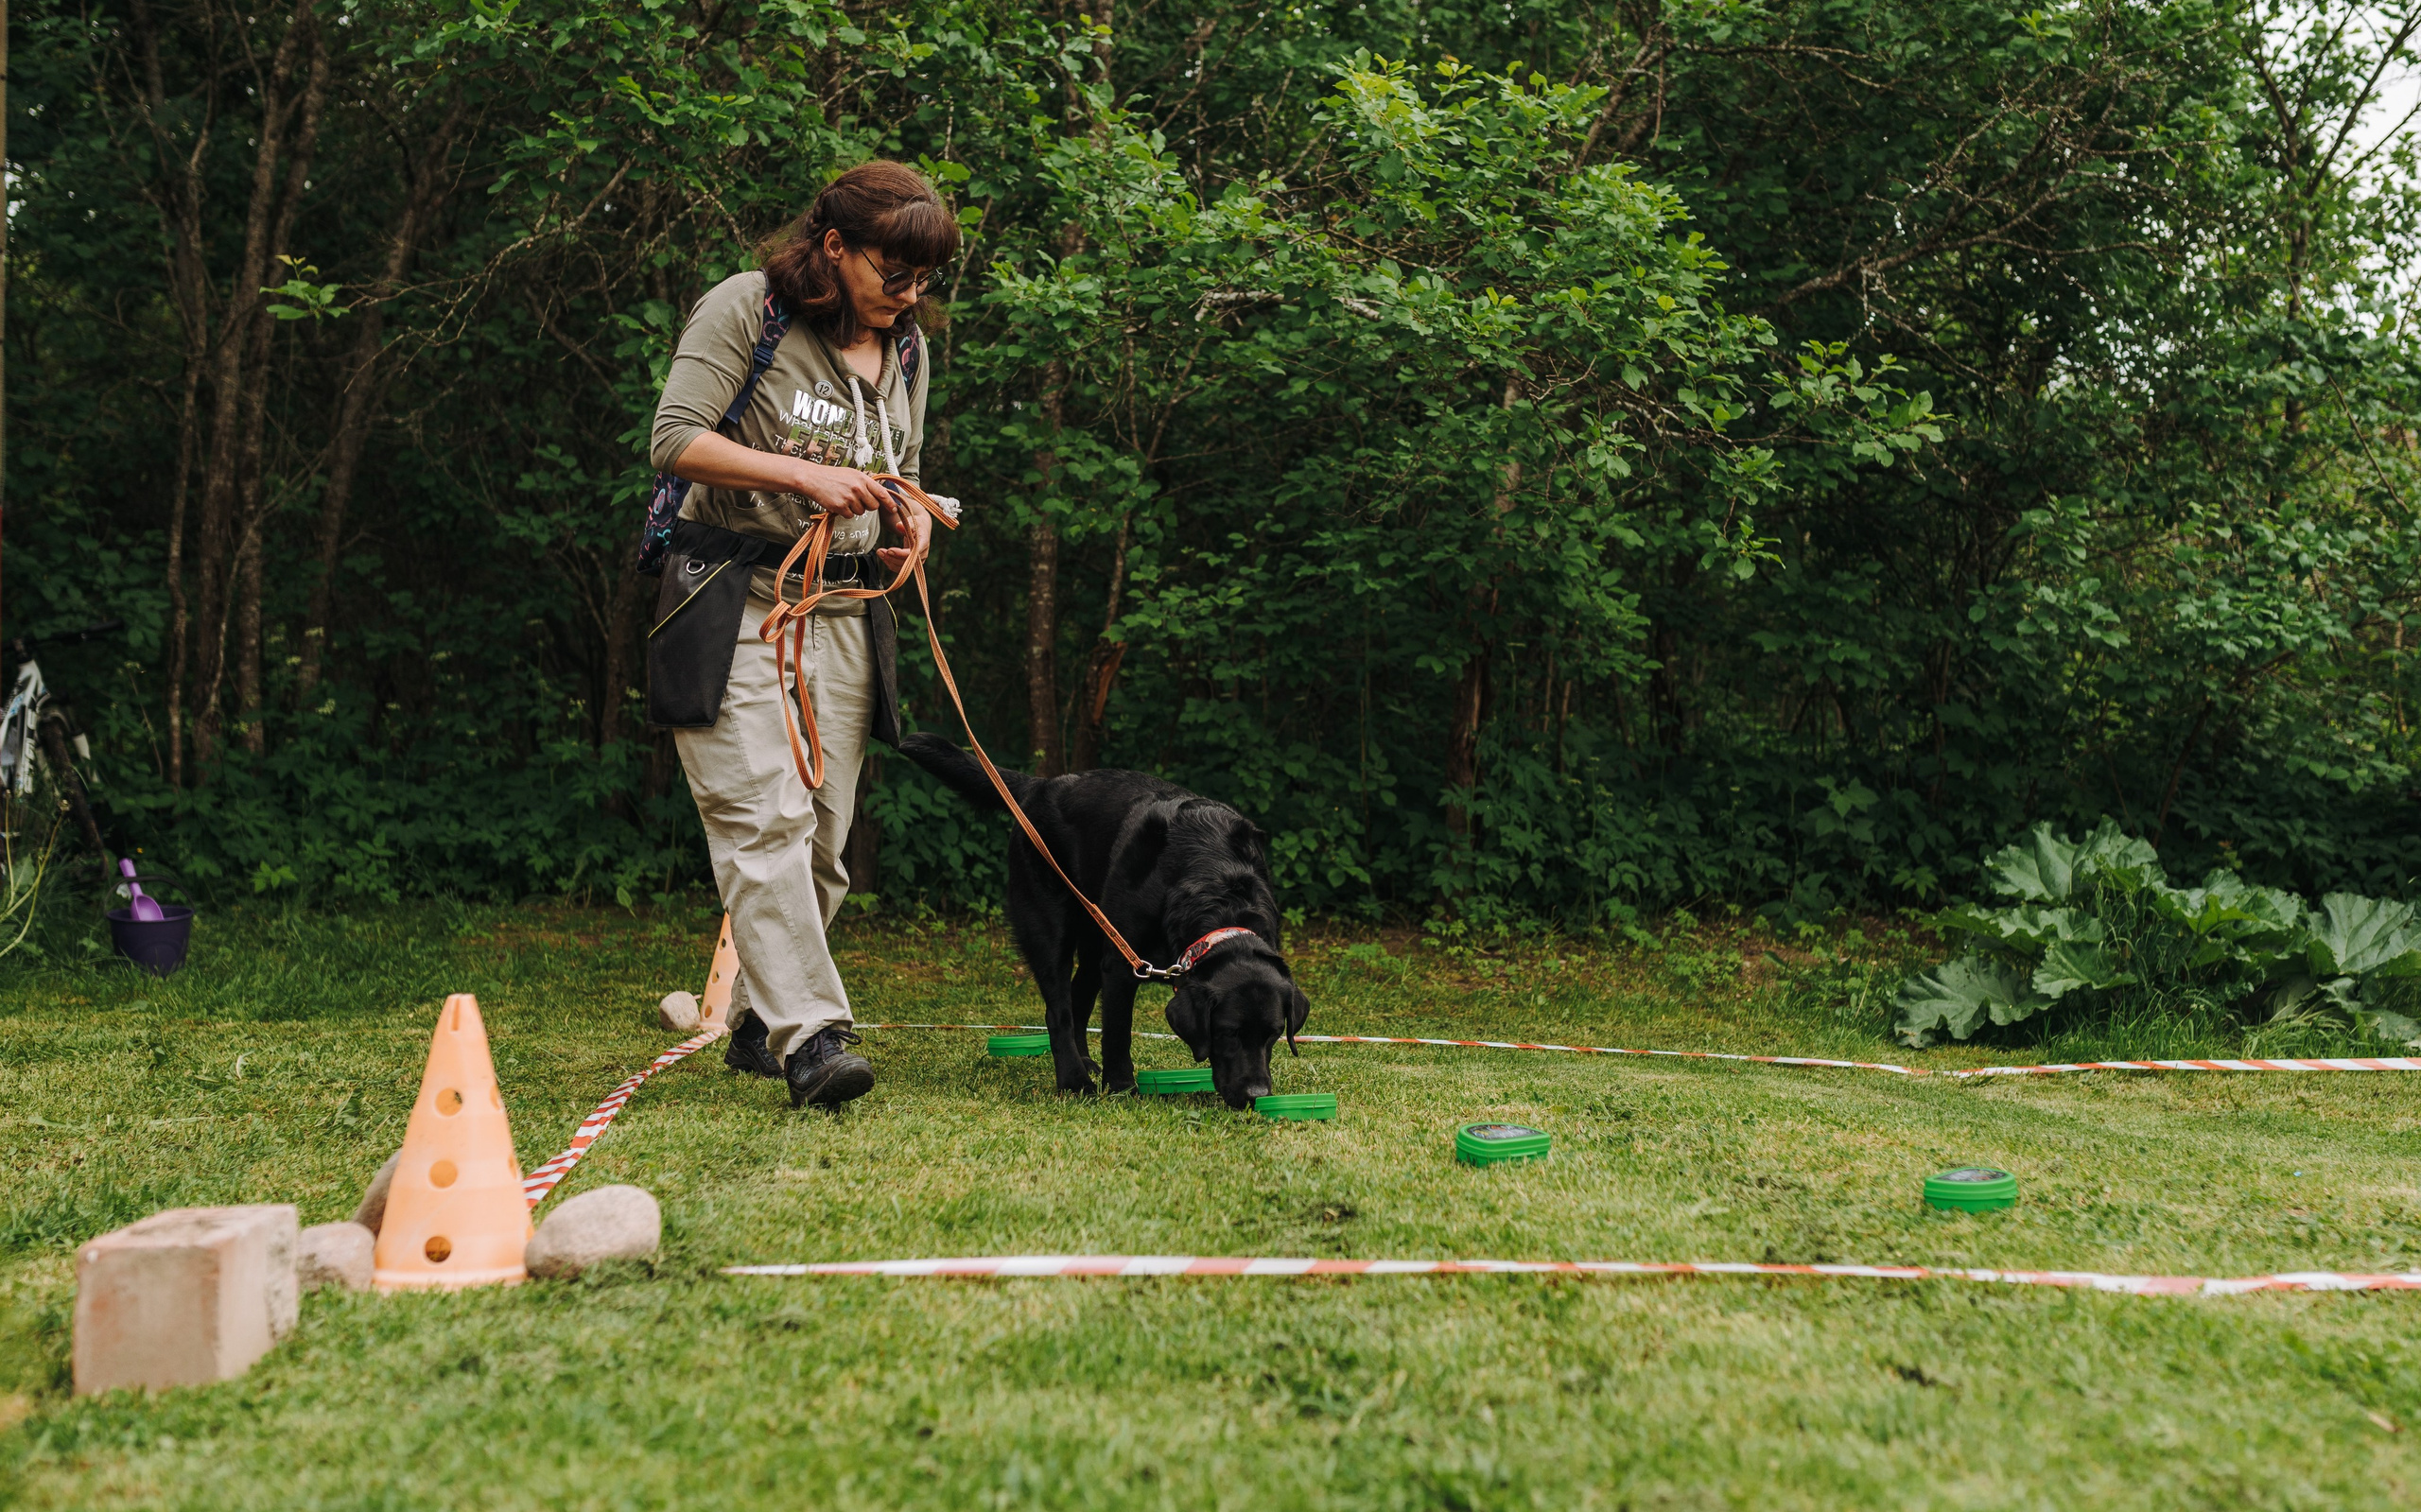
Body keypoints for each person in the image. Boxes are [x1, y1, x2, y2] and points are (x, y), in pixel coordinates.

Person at [648, 162, 959, 1108]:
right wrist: (800, 478)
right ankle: (815, 1039)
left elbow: (892, 470)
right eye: (891, 272)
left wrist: (909, 516)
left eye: (923, 280)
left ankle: (755, 1021)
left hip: (846, 611)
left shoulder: (905, 352)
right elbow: (675, 439)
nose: (908, 296)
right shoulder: (752, 310)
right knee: (761, 820)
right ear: (834, 247)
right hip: (731, 594)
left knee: (824, 843)